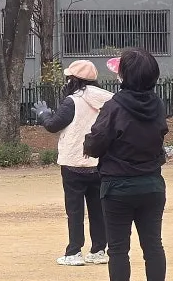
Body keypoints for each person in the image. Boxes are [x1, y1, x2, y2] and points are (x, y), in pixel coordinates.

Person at [84, 48, 169, 281]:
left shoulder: (115, 106)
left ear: (124, 76)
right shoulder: (158, 105)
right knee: (153, 244)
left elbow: (96, 143)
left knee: (119, 248)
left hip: (118, 184)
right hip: (152, 182)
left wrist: (88, 142)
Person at [33, 60, 114, 267]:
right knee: (98, 209)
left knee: (75, 209)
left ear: (74, 80)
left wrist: (44, 114)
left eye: (69, 78)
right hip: (99, 161)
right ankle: (99, 250)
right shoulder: (109, 99)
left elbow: (53, 125)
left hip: (73, 162)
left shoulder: (73, 101)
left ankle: (74, 251)